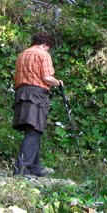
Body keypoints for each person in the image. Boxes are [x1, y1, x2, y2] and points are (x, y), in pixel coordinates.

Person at [13, 32, 63, 177]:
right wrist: (58, 82)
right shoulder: (43, 54)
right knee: (34, 130)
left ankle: (35, 168)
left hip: (21, 93)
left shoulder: (22, 54)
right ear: (45, 45)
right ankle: (21, 169)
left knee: (32, 129)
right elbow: (47, 77)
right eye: (49, 47)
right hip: (36, 94)